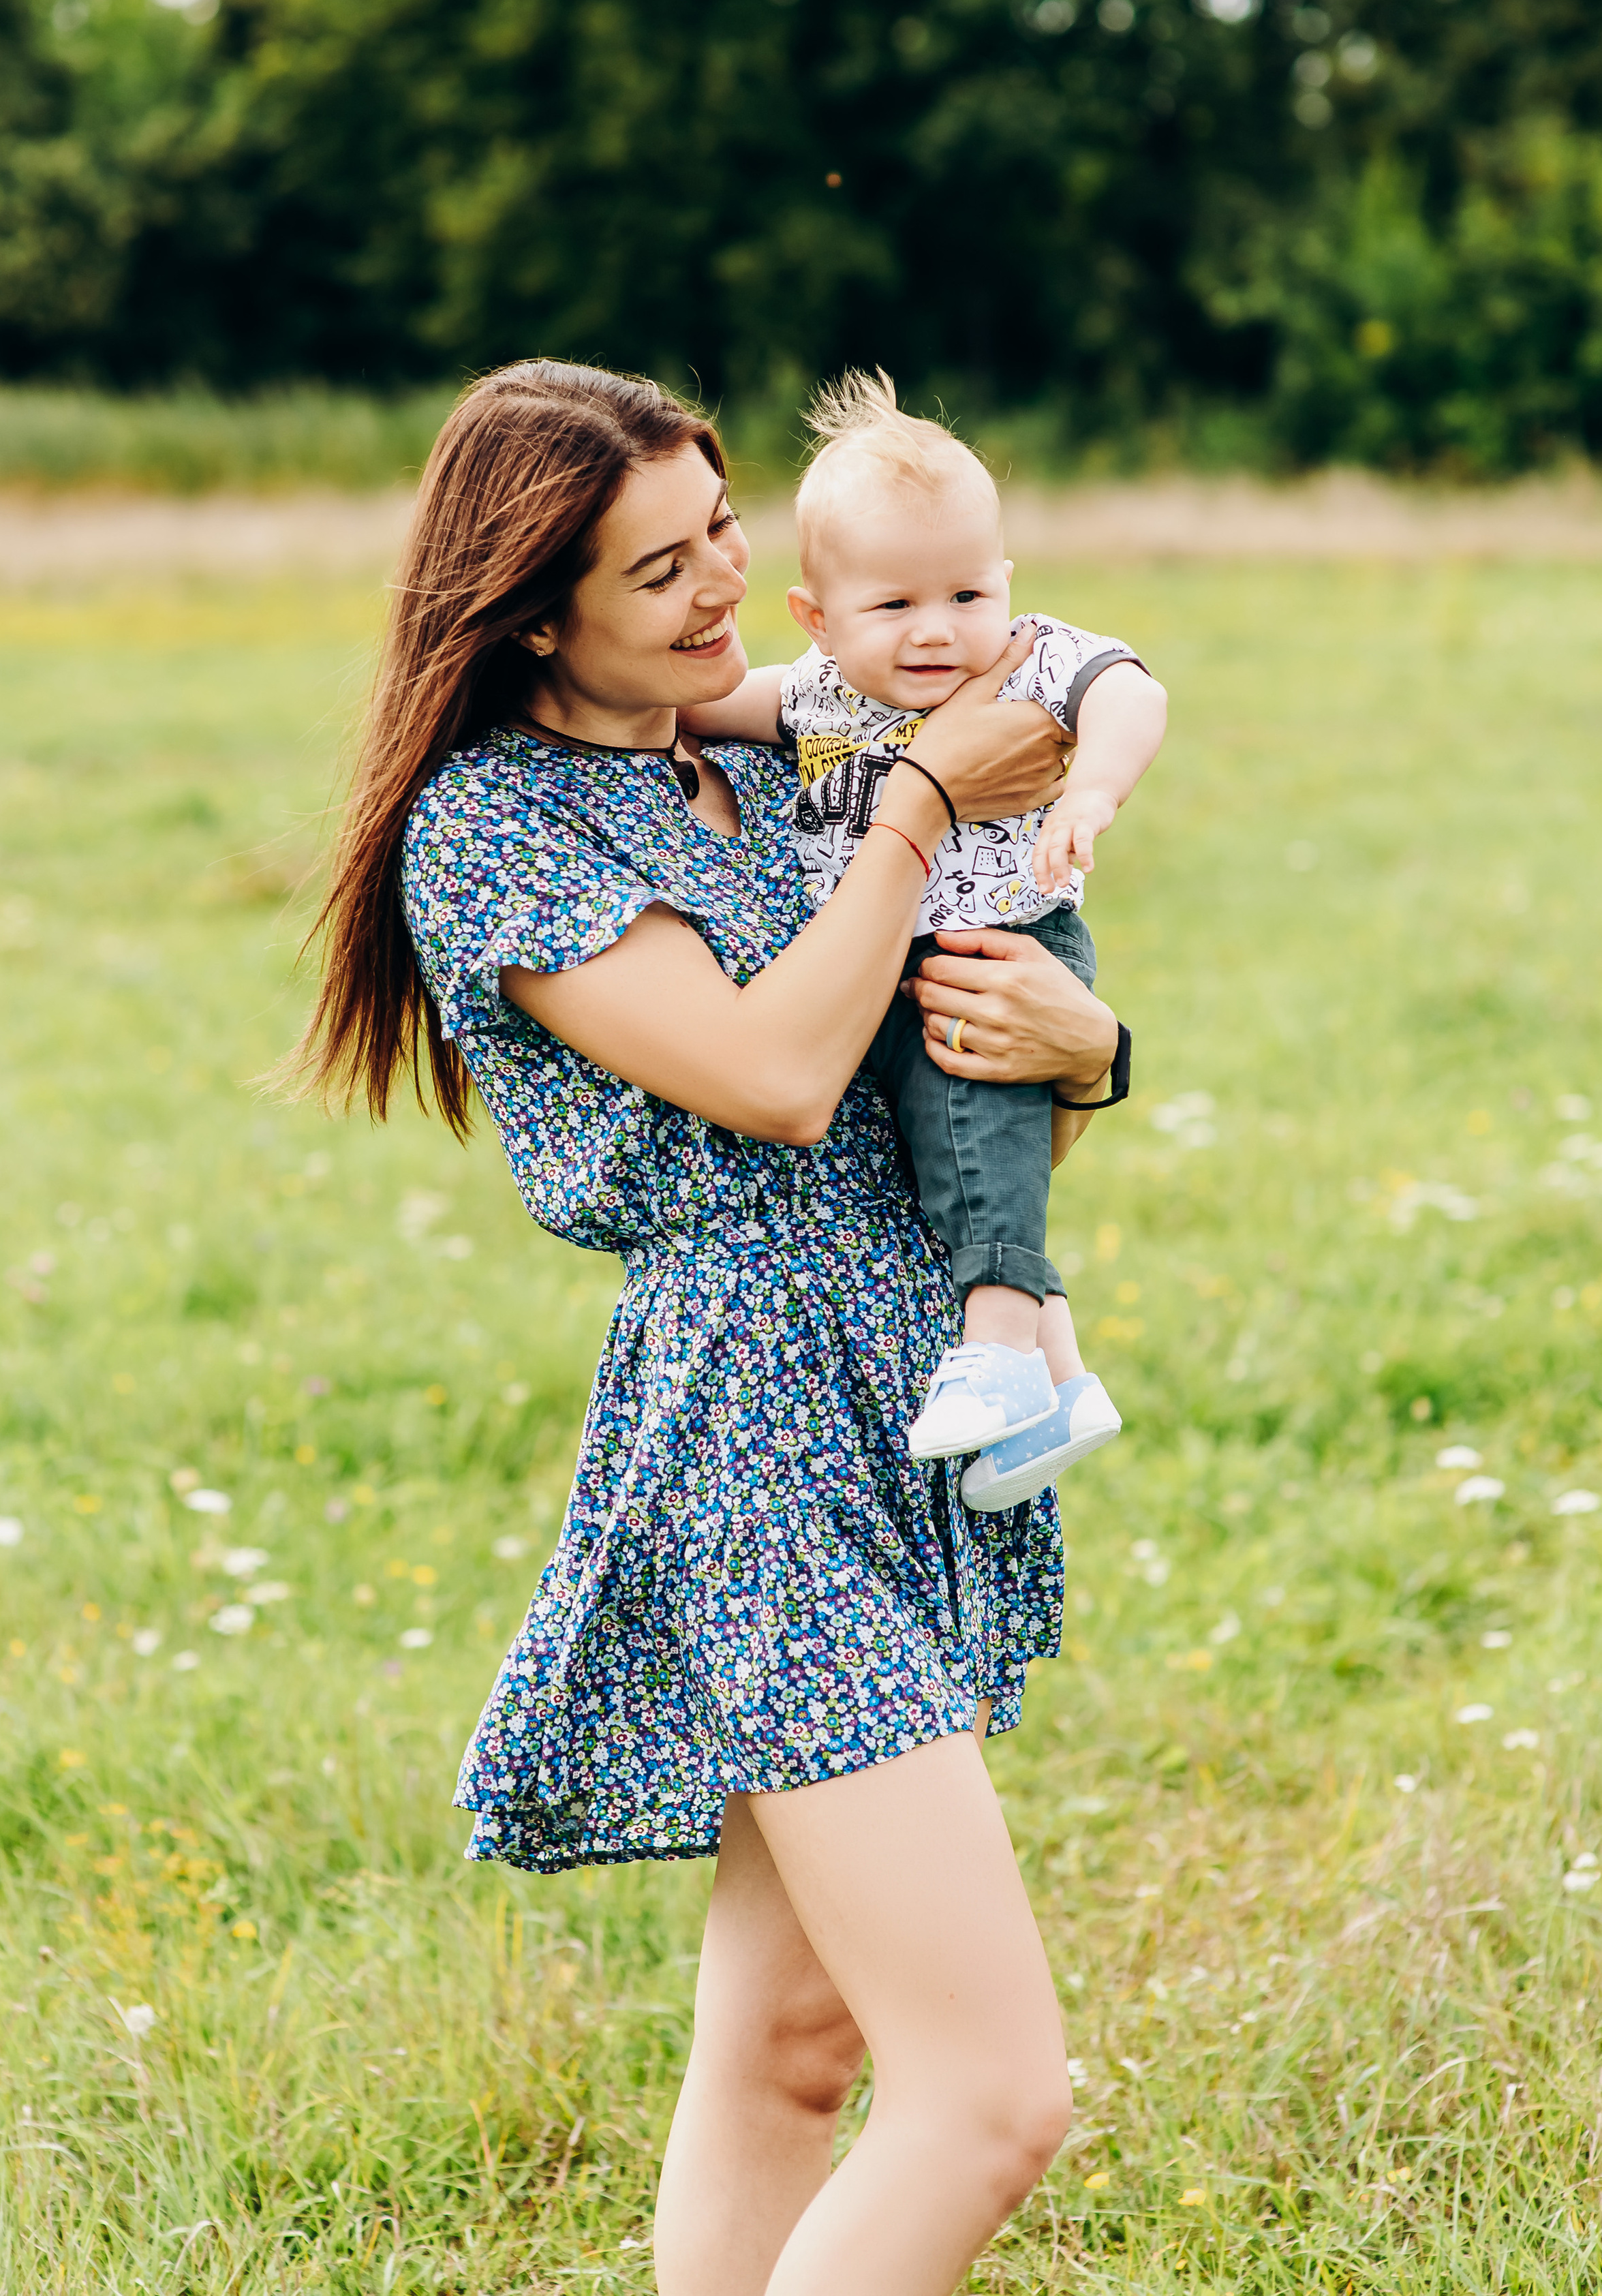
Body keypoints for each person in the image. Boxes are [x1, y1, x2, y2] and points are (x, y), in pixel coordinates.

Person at [294, 360, 1126, 2296]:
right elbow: (773, 1076)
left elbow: (954, 1083)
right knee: (992, 2097)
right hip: (757, 1435)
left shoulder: (764, 751)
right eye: (656, 567)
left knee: (795, 2048)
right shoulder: (498, 831)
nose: (721, 586)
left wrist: (1088, 1048)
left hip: (906, 1385)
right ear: (532, 612)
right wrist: (919, 803)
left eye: (722, 528)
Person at [681, 369, 1167, 1514]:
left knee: (971, 1122)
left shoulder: (1025, 657)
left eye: (967, 591)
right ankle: (1059, 1378)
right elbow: (688, 708)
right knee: (947, 1158)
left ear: (1006, 582)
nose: (939, 628)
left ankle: (997, 1348)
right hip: (894, 965)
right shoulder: (816, 695)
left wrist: (1091, 788)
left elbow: (1130, 691)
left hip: (1000, 946)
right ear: (818, 618)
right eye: (895, 605)